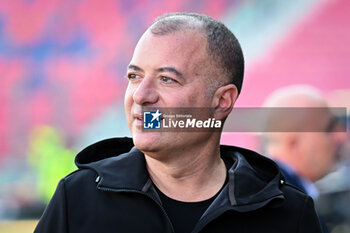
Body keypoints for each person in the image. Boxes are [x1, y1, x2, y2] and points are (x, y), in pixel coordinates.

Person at [35, 13, 322, 233]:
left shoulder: (289, 214)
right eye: (134, 76)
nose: (141, 96)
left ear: (222, 101)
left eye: (167, 79)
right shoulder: (77, 199)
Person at [262, 85, 347, 233]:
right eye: (329, 129)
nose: (340, 137)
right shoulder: (281, 204)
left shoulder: (276, 193)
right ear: (293, 143)